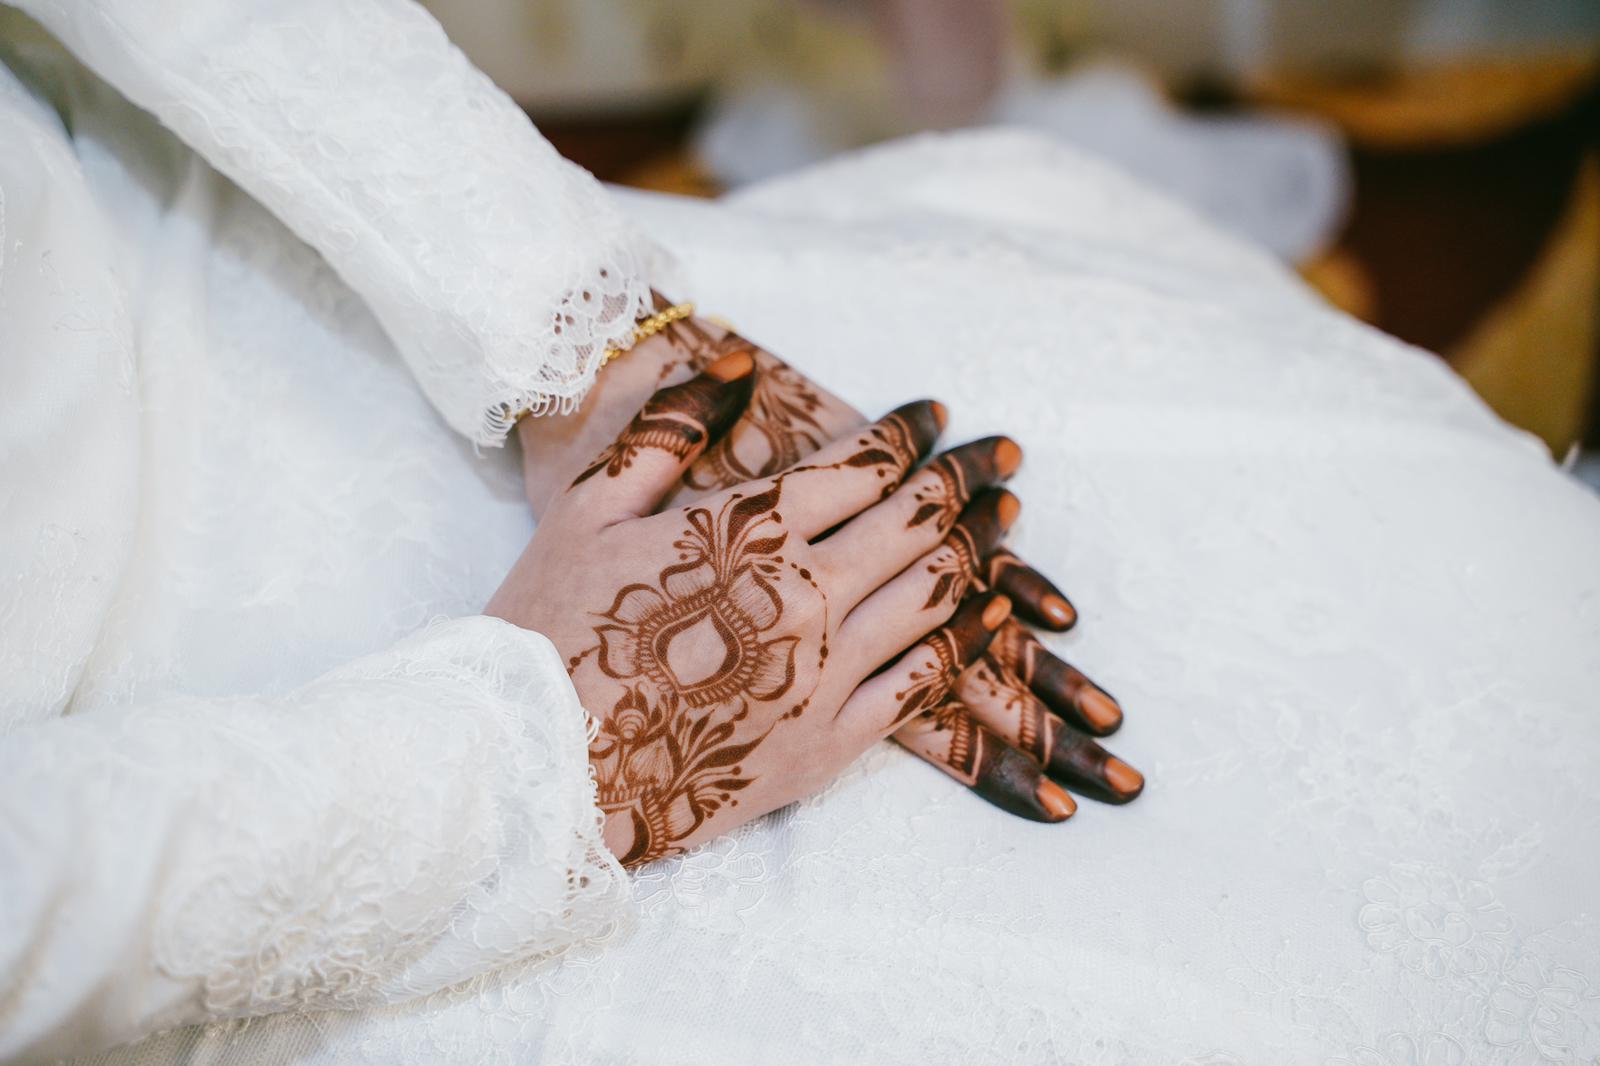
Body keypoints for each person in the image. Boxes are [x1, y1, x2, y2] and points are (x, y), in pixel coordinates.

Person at [0, 0, 1141, 1059]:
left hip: (283, 237)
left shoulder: (562, 337)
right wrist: (522, 768)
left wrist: (570, 332)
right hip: (263, 789)